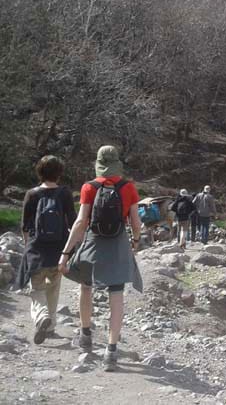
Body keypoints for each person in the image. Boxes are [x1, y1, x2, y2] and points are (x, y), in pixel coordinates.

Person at [58, 145, 143, 372]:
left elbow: (80, 222)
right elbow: (136, 222)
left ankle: (86, 335)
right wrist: (135, 242)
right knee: (116, 295)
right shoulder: (129, 188)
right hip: (118, 244)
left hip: (92, 244)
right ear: (117, 163)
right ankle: (111, 350)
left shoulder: (89, 187)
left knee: (86, 288)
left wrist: (66, 253)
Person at [14, 156, 77, 345]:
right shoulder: (65, 193)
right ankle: (50, 327)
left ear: (39, 172)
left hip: (37, 250)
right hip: (59, 249)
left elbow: (25, 226)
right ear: (59, 173)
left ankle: (41, 316)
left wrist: (28, 247)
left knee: (37, 289)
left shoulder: (31, 194)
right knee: (53, 288)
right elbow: (72, 222)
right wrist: (70, 249)